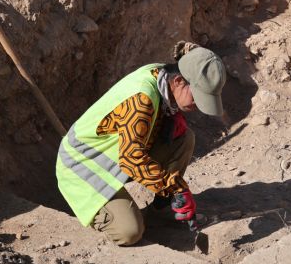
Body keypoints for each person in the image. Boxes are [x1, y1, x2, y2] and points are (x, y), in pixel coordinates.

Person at [56, 41, 226, 245]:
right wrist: (176, 188)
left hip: (117, 157)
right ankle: (108, 220)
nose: (198, 105)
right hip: (82, 168)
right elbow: (131, 159)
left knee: (184, 139)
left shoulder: (162, 76)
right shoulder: (141, 99)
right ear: (179, 81)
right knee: (130, 232)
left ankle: (162, 211)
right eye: (197, 97)